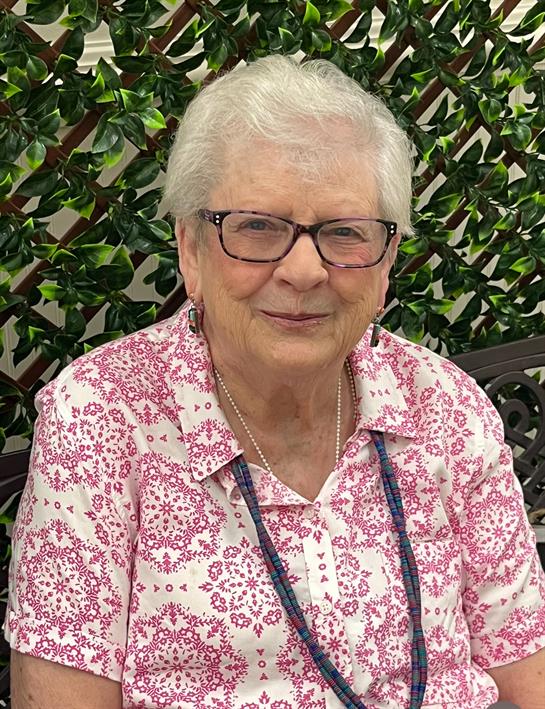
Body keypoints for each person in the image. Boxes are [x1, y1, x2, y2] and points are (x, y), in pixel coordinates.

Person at [6, 55, 545, 709]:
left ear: (385, 265)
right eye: (258, 226)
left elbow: (525, 664)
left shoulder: (445, 406)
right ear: (190, 249)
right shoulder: (101, 418)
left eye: (344, 232)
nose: (304, 271)